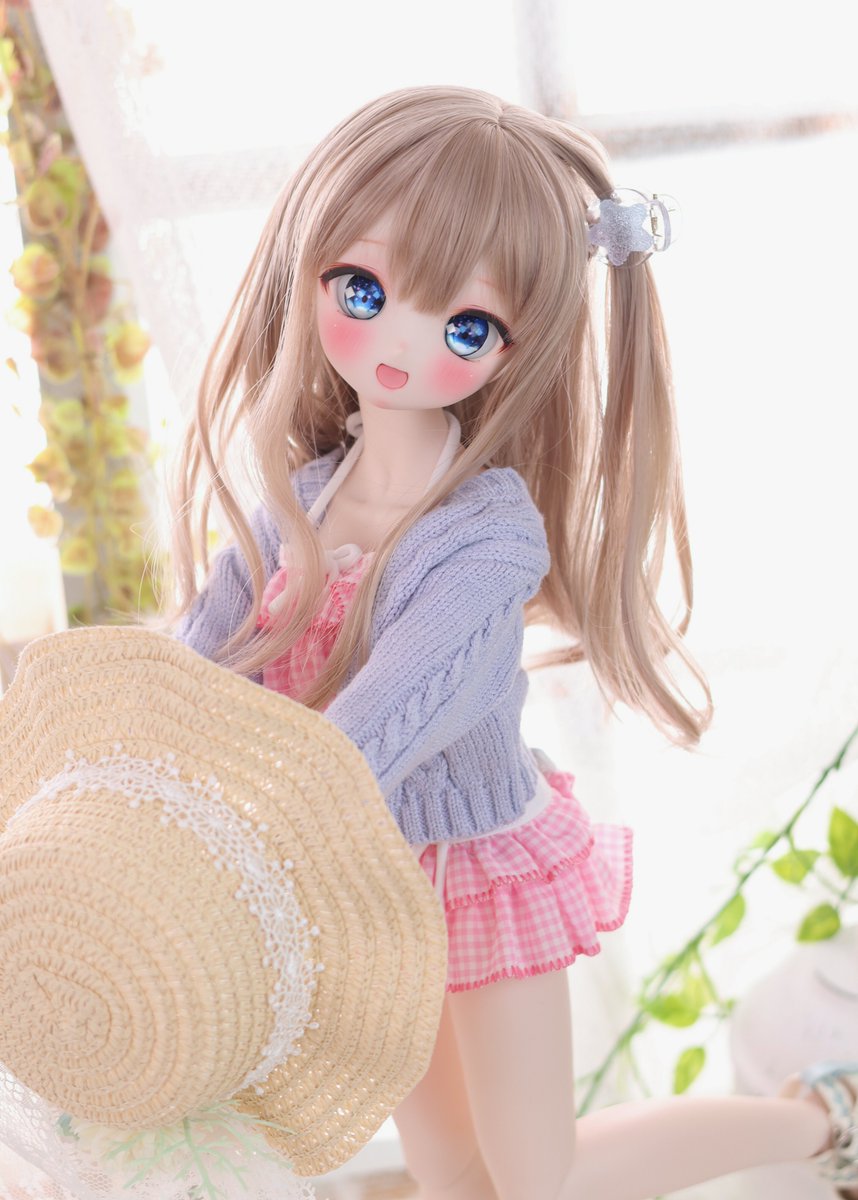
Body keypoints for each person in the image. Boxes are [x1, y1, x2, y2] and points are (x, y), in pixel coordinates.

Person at [168, 85, 858, 1200]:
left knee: (540, 1175)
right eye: (363, 290)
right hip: (368, 880)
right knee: (451, 1175)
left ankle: (822, 1119)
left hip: (477, 865)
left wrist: (239, 834)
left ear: (513, 348)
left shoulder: (486, 540)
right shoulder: (301, 499)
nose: (400, 344)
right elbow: (192, 664)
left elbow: (380, 719)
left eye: (464, 327)